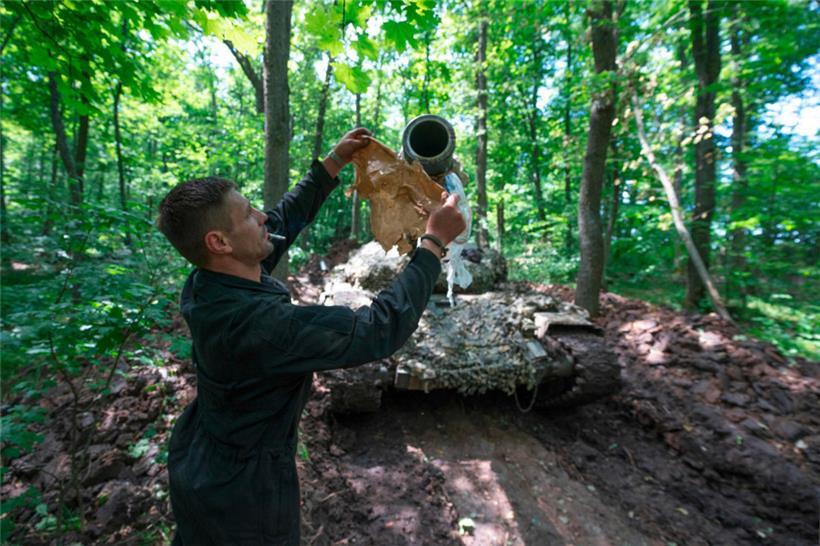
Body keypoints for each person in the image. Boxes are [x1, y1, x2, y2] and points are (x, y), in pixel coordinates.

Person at [156, 127, 466, 545]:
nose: (261, 217)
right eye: (248, 215)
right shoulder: (260, 326)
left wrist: (332, 164)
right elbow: (377, 329)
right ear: (219, 242)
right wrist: (431, 245)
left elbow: (280, 221)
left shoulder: (211, 280)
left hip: (203, 458)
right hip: (243, 499)